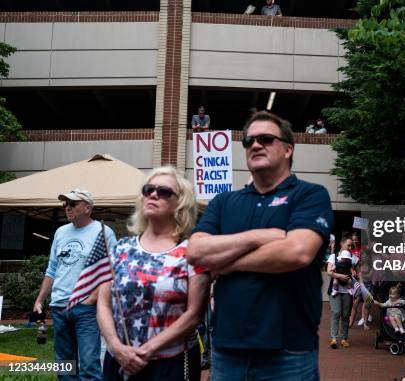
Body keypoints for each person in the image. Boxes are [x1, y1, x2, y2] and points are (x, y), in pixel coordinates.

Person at [187, 111, 333, 380]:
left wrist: (225, 263)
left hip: (290, 352)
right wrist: (258, 237)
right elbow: (195, 252)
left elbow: (296, 252)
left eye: (266, 139)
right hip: (226, 351)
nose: (255, 144)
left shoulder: (310, 195)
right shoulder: (223, 202)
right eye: (249, 140)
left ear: (288, 149)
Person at [97, 166, 210, 380]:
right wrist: (116, 346)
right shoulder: (120, 249)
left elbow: (194, 315)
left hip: (170, 364)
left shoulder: (192, 252)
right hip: (119, 361)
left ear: (180, 203)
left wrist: (145, 351)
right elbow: (103, 304)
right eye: (148, 189)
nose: (154, 194)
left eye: (164, 191)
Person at [33, 188, 117, 381]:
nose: (67, 208)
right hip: (59, 306)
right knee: (65, 366)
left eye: (72, 204)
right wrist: (40, 300)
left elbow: (112, 271)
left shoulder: (103, 232)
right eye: (65, 204)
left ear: (87, 207)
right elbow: (52, 269)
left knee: (88, 365)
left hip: (86, 308)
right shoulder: (61, 232)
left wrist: (93, 299)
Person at [327, 236, 358, 348]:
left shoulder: (353, 258)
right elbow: (329, 272)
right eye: (348, 245)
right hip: (335, 290)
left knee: (345, 315)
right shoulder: (333, 256)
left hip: (348, 290)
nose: (350, 247)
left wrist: (355, 276)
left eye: (351, 246)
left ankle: (344, 338)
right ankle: (334, 338)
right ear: (342, 244)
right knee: (336, 313)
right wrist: (339, 276)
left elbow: (356, 273)